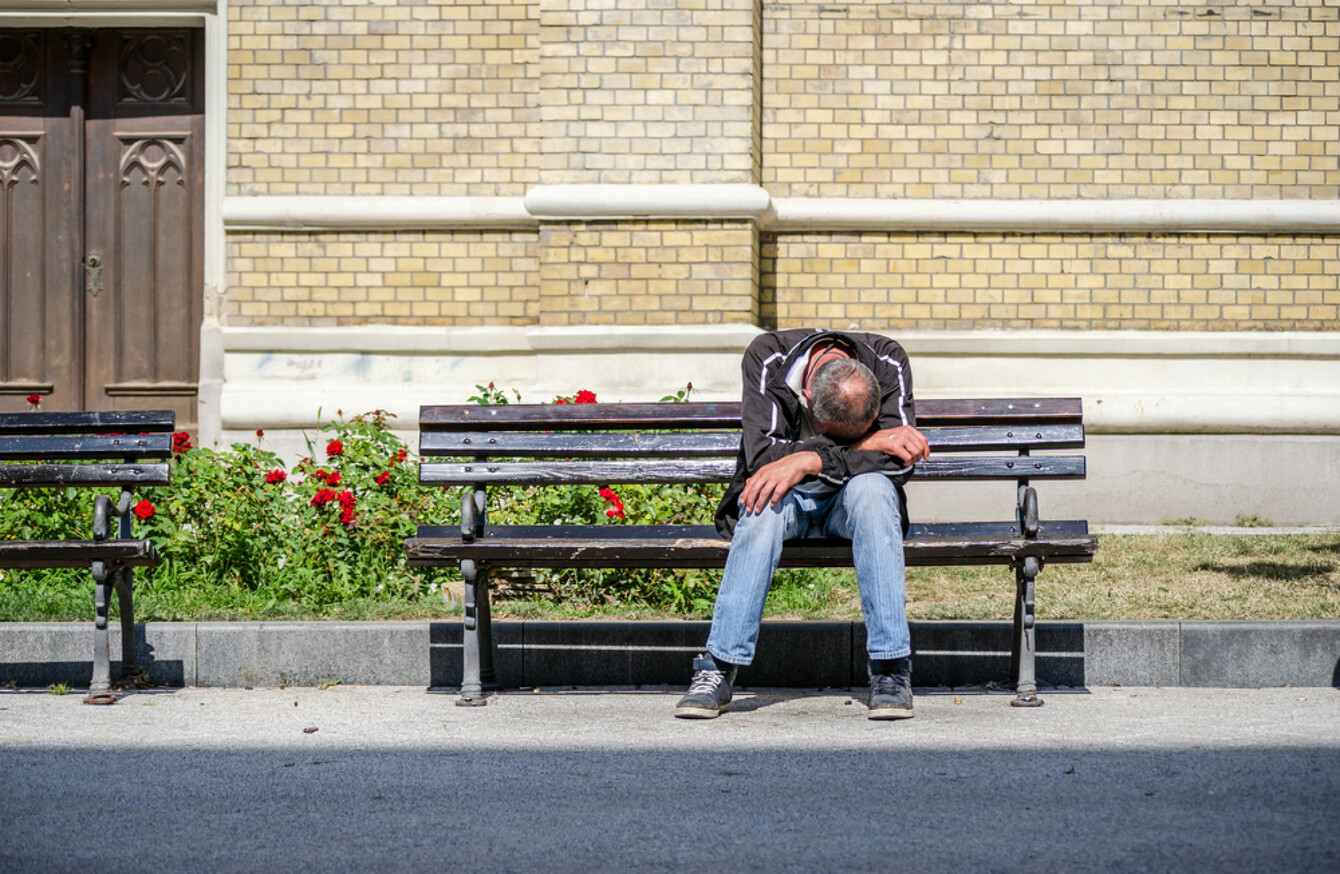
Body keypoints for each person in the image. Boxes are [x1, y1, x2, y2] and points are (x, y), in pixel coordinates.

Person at [674, 329, 930, 720]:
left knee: (876, 490)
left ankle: (891, 669)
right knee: (761, 501)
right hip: (788, 501)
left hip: (853, 502)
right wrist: (866, 445)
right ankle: (718, 667)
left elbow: (900, 460)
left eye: (862, 435)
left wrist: (809, 459)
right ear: (807, 398)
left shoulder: (888, 360)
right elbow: (762, 457)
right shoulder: (767, 357)